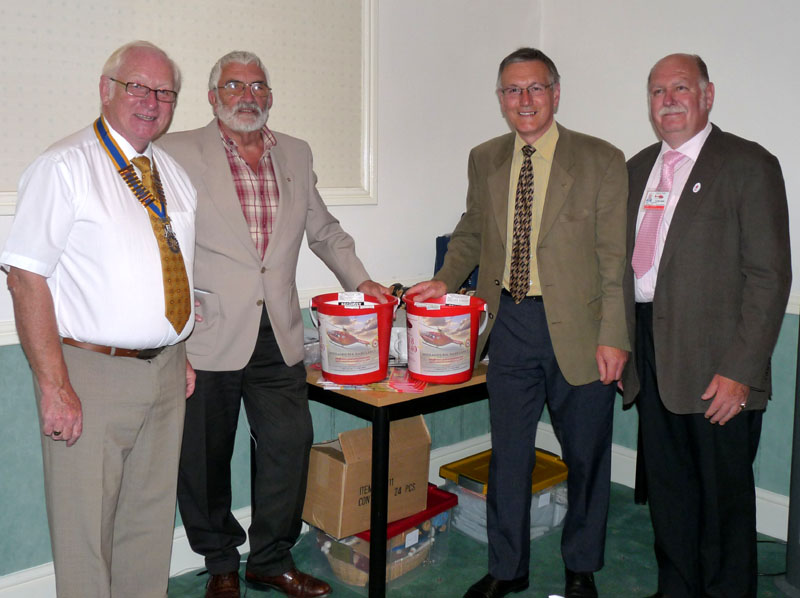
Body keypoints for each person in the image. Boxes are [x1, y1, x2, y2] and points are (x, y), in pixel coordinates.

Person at [158, 50, 387, 598]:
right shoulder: (176, 151)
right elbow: (158, 241)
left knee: (290, 441)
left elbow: (323, 229)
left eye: (258, 86)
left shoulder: (297, 153)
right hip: (205, 333)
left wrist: (363, 282)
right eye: (234, 86)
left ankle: (270, 557)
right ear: (213, 97)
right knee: (204, 458)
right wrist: (170, 327)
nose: (248, 96)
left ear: (270, 96)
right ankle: (219, 562)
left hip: (278, 331)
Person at [406, 47, 629, 598]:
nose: (524, 100)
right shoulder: (484, 158)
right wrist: (445, 276)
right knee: (509, 455)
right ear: (501, 99)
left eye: (535, 88)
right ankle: (508, 569)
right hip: (508, 325)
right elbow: (472, 230)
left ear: (556, 93)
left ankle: (581, 566)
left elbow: (613, 258)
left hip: (581, 329)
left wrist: (615, 337)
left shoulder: (600, 159)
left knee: (586, 455)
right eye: (512, 90)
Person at [0, 41, 196, 597]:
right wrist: (53, 385)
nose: (150, 101)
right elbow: (25, 277)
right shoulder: (64, 166)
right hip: (90, 374)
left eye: (163, 92)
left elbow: (175, 269)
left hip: (165, 372)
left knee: (148, 524)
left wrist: (181, 350)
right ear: (106, 89)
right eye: (137, 86)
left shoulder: (174, 176)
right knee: (85, 532)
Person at [621, 53, 791, 598]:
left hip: (718, 360)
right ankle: (677, 588)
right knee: (670, 491)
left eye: (680, 88)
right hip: (649, 349)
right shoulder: (636, 168)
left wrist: (741, 371)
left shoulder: (748, 164)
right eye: (656, 91)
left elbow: (769, 277)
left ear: (708, 95)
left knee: (722, 501)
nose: (667, 100)